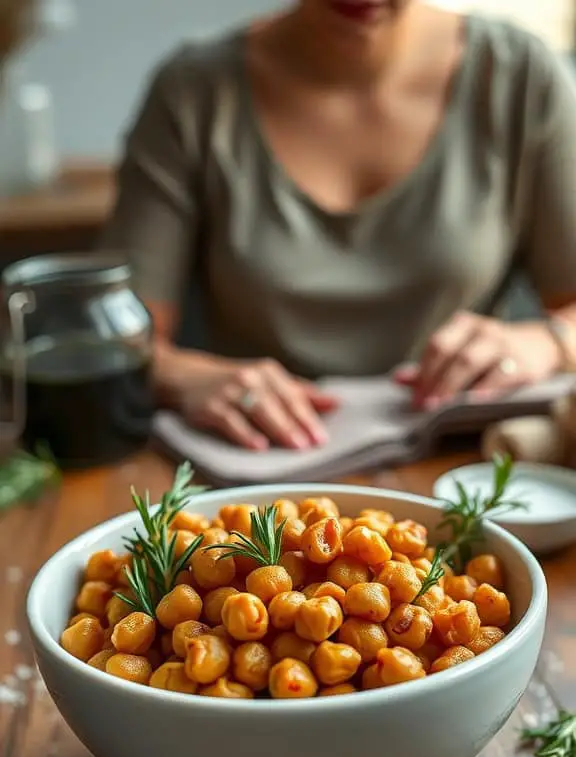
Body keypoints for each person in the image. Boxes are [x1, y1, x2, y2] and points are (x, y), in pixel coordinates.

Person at [102, 0, 576, 451]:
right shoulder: (192, 92)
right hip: (260, 473)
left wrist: (547, 342)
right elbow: (119, 335)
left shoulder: (520, 77)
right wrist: (188, 377)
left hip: (463, 460)